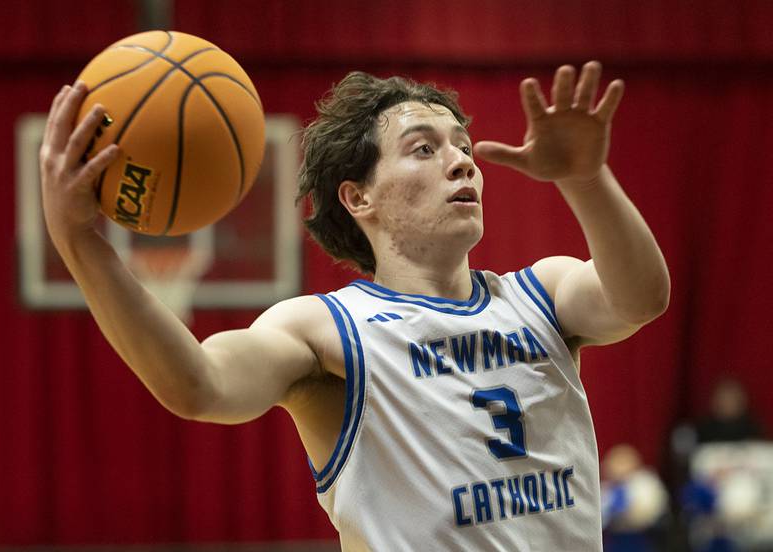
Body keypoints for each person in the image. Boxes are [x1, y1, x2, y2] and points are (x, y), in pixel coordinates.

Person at [39, 61, 670, 550]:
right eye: (425, 148)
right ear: (358, 197)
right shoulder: (325, 329)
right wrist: (79, 240)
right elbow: (198, 385)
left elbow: (640, 298)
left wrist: (585, 178)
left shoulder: (544, 292)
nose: (461, 163)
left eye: (463, 147)